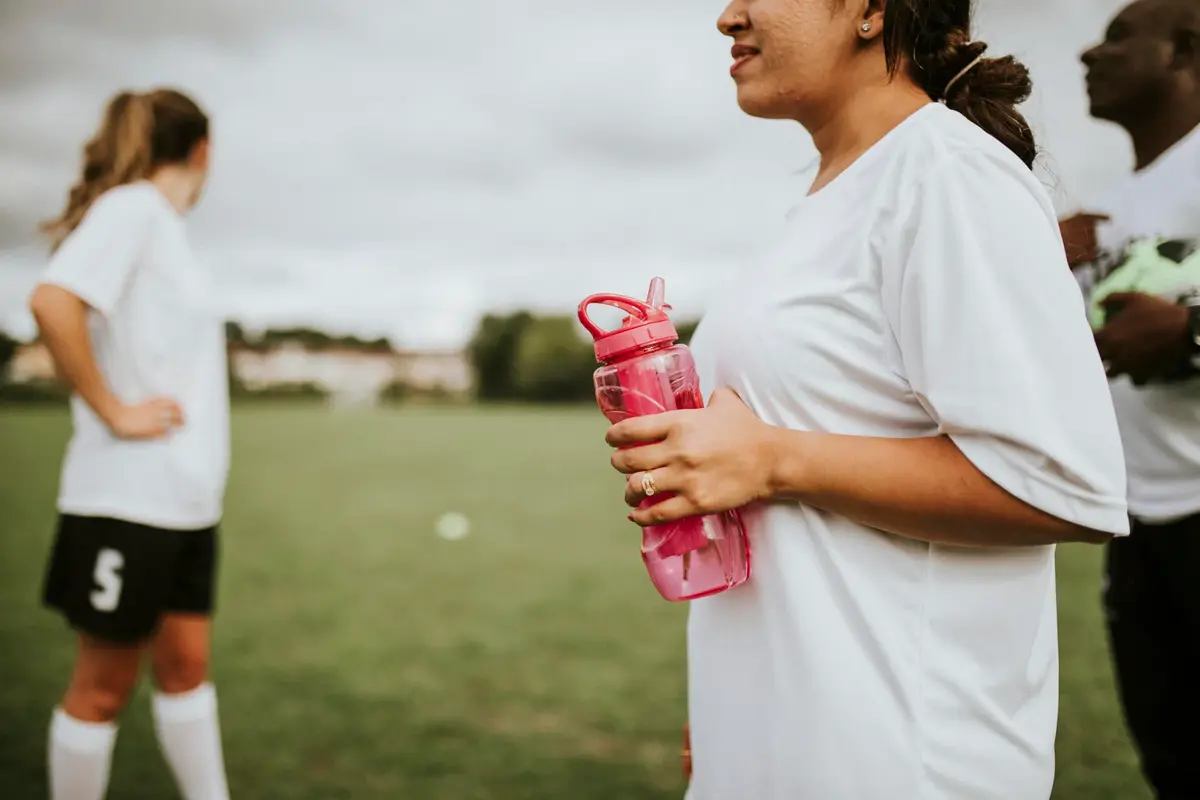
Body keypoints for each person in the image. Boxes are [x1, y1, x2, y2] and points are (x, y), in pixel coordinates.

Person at [603, 1, 1130, 797]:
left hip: (896, 763)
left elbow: (1066, 485)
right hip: (790, 743)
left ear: (872, 9)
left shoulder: (949, 173)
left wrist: (773, 459)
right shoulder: (831, 199)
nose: (727, 15)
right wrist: (735, 710)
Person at [28, 88, 231, 800]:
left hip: (186, 503)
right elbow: (53, 302)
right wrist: (114, 410)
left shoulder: (166, 229)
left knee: (185, 670)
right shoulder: (132, 209)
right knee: (104, 688)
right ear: (202, 150)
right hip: (126, 501)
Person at [1059, 1, 1200, 796]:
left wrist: (1189, 333)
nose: (1089, 53)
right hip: (1137, 524)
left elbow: (1171, 328)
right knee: (1171, 759)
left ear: (1184, 49)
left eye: (1117, 38)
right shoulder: (1110, 206)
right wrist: (1047, 263)